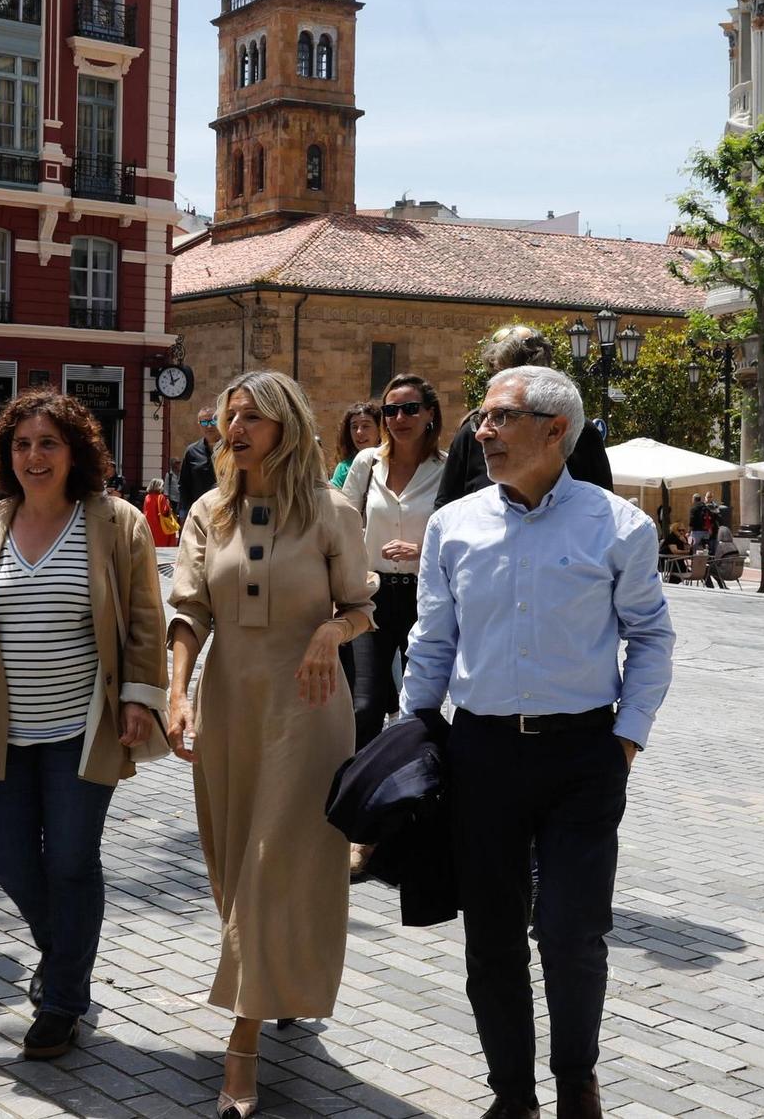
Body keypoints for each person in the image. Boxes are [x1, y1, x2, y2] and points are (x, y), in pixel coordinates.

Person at [403, 365, 674, 1119]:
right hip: (481, 753)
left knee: (570, 931)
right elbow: (432, 641)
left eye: (499, 418)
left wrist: (626, 742)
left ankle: (575, 1080)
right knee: (490, 938)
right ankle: (512, 1095)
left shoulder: (618, 527)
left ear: (555, 430)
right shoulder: (452, 525)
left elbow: (651, 639)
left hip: (584, 757)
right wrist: (412, 736)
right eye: (479, 418)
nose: (480, 432)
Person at [0, 391, 168, 1060]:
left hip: (82, 724)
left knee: (71, 861)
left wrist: (139, 696)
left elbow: (144, 618)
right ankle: (64, 954)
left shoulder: (116, 522)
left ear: (75, 452)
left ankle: (63, 998)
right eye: (21, 444)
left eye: (48, 443)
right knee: (4, 852)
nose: (33, 456)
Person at [166, 370, 375, 1119]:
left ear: (287, 426)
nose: (237, 430)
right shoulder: (208, 513)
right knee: (233, 862)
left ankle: (242, 1044)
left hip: (309, 708)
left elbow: (361, 606)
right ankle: (272, 981)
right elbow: (188, 610)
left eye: (252, 417)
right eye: (231, 418)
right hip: (228, 705)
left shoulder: (332, 511)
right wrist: (177, 690)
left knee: (270, 863)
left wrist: (330, 629)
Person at [339, 373, 447, 753]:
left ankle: (414, 784)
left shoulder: (446, 469)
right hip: (373, 595)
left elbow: (458, 537)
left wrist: (420, 551)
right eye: (391, 410)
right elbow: (344, 520)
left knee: (419, 704)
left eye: (410, 409)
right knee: (365, 704)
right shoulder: (367, 463)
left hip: (425, 599)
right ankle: (357, 789)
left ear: (429, 414)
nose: (399, 418)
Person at [438, 325, 554, 509]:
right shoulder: (473, 434)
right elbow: (446, 509)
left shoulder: (578, 433)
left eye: (517, 373)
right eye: (499, 374)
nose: (506, 383)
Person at [175, 403, 220, 520]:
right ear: (199, 425)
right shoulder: (191, 451)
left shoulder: (230, 449)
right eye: (204, 422)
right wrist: (184, 512)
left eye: (213, 421)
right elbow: (184, 484)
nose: (209, 426)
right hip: (200, 511)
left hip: (225, 509)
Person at [329, 402, 380, 490]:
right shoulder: (344, 468)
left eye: (365, 426)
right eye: (354, 427)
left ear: (380, 429)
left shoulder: (391, 464)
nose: (359, 432)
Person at [142, 476, 178, 546]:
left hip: (149, 524)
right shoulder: (161, 497)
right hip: (160, 525)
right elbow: (165, 511)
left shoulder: (147, 497)